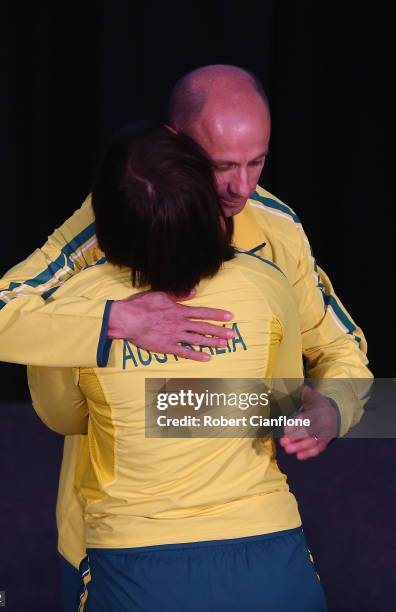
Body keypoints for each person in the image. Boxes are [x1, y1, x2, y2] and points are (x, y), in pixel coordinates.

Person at [0, 64, 371, 607]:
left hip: (250, 533)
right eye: (221, 165)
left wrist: (334, 407)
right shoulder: (104, 222)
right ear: (174, 144)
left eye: (257, 162)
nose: (240, 188)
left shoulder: (277, 230)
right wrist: (116, 321)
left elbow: (339, 355)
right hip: (111, 541)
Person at [28, 121, 327, 611]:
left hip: (137, 563)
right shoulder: (266, 283)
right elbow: (282, 401)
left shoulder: (72, 304)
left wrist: (153, 402)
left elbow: (63, 417)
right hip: (272, 555)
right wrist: (186, 402)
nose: (243, 186)